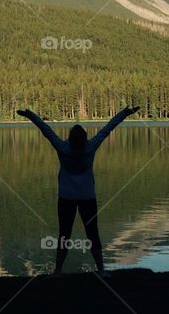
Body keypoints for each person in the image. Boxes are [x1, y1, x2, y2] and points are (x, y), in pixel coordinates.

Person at [16, 106, 140, 277]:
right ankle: (101, 270)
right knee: (93, 234)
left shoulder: (62, 147)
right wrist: (126, 113)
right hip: (87, 197)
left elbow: (45, 129)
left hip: (66, 198)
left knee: (64, 235)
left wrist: (29, 114)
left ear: (70, 138)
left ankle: (58, 271)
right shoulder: (90, 148)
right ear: (84, 138)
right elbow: (108, 128)